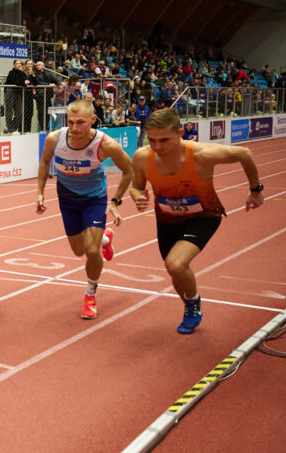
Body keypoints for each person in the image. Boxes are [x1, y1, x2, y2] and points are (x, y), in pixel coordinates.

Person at [130, 108, 264, 334]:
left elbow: (245, 154)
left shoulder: (203, 154)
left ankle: (193, 303)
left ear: (180, 133)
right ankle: (190, 301)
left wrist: (255, 190)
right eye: (152, 140)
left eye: (164, 140)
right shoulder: (142, 156)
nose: (158, 147)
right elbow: (136, 186)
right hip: (167, 219)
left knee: (176, 263)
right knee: (175, 271)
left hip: (203, 215)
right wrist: (138, 196)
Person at [36, 99, 134, 320]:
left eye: (80, 122)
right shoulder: (55, 139)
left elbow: (129, 170)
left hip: (94, 199)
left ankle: (90, 294)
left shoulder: (105, 144)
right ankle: (105, 239)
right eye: (70, 122)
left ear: (93, 120)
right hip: (67, 199)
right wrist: (40, 192)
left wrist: (115, 201)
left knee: (91, 251)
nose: (74, 128)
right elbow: (44, 162)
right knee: (78, 251)